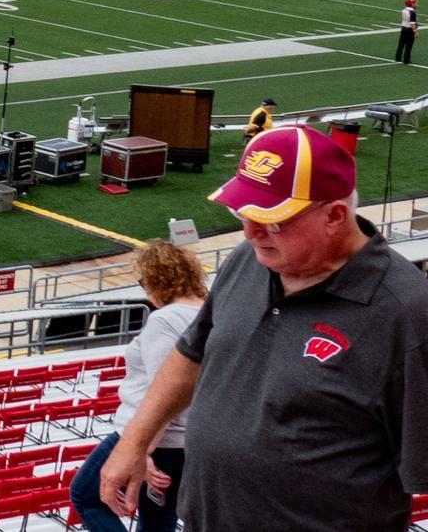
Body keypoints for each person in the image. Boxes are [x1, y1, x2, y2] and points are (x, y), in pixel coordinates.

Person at [100, 126, 428, 531]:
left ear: (335, 215)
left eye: (272, 221)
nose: (250, 233)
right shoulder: (249, 260)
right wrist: (134, 442)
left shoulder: (406, 313)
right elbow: (192, 352)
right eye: (244, 215)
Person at [68, 240, 205, 532]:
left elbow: (167, 390)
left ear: (156, 279)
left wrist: (142, 449)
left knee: (85, 494)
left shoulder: (166, 319)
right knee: (158, 523)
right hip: (188, 440)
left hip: (152, 437)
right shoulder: (208, 313)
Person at [400, 0, 418, 65]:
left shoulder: (404, 10)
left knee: (401, 44)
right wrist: (415, 31)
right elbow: (412, 23)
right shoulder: (412, 12)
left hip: (403, 28)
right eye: (415, 3)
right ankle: (406, 60)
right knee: (409, 45)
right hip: (409, 29)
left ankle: (398, 57)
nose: (417, 4)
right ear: (412, 4)